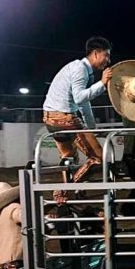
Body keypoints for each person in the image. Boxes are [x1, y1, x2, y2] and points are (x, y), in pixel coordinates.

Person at [42, 36, 113, 204]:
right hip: (64, 118)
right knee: (97, 158)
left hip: (50, 118)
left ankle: (66, 199)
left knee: (69, 159)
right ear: (96, 53)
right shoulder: (80, 69)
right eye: (107, 55)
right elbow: (80, 98)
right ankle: (65, 190)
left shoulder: (78, 68)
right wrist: (103, 83)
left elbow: (83, 103)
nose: (108, 60)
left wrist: (91, 127)